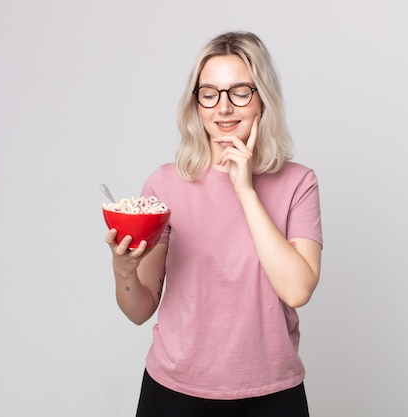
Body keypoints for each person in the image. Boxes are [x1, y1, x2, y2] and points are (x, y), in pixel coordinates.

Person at [105, 31, 322, 417]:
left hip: (273, 393)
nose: (223, 108)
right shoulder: (165, 184)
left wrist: (245, 191)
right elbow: (139, 310)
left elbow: (297, 290)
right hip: (174, 394)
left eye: (239, 92)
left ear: (263, 99)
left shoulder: (298, 183)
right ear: (197, 105)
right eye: (209, 93)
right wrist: (123, 270)